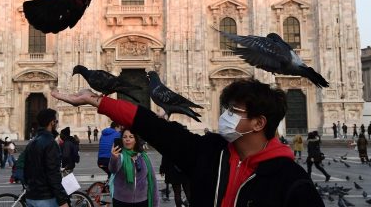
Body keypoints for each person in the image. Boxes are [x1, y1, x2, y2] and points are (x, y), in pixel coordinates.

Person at [51, 78, 324, 206]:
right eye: (226, 108)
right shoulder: (209, 154)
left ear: (259, 123)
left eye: (234, 111)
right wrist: (96, 100)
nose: (225, 116)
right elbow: (156, 128)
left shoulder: (293, 183)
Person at [23, 108, 70, 207]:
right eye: (56, 121)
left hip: (31, 196)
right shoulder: (51, 143)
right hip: (46, 198)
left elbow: (26, 170)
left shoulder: (32, 142)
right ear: (52, 122)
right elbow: (53, 174)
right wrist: (62, 200)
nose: (57, 124)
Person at [109, 128, 159, 207]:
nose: (127, 139)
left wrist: (155, 204)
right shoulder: (119, 156)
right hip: (121, 201)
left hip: (142, 201)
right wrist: (114, 158)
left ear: (136, 140)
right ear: (122, 140)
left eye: (131, 137)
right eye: (124, 137)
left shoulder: (144, 157)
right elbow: (113, 169)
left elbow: (153, 181)